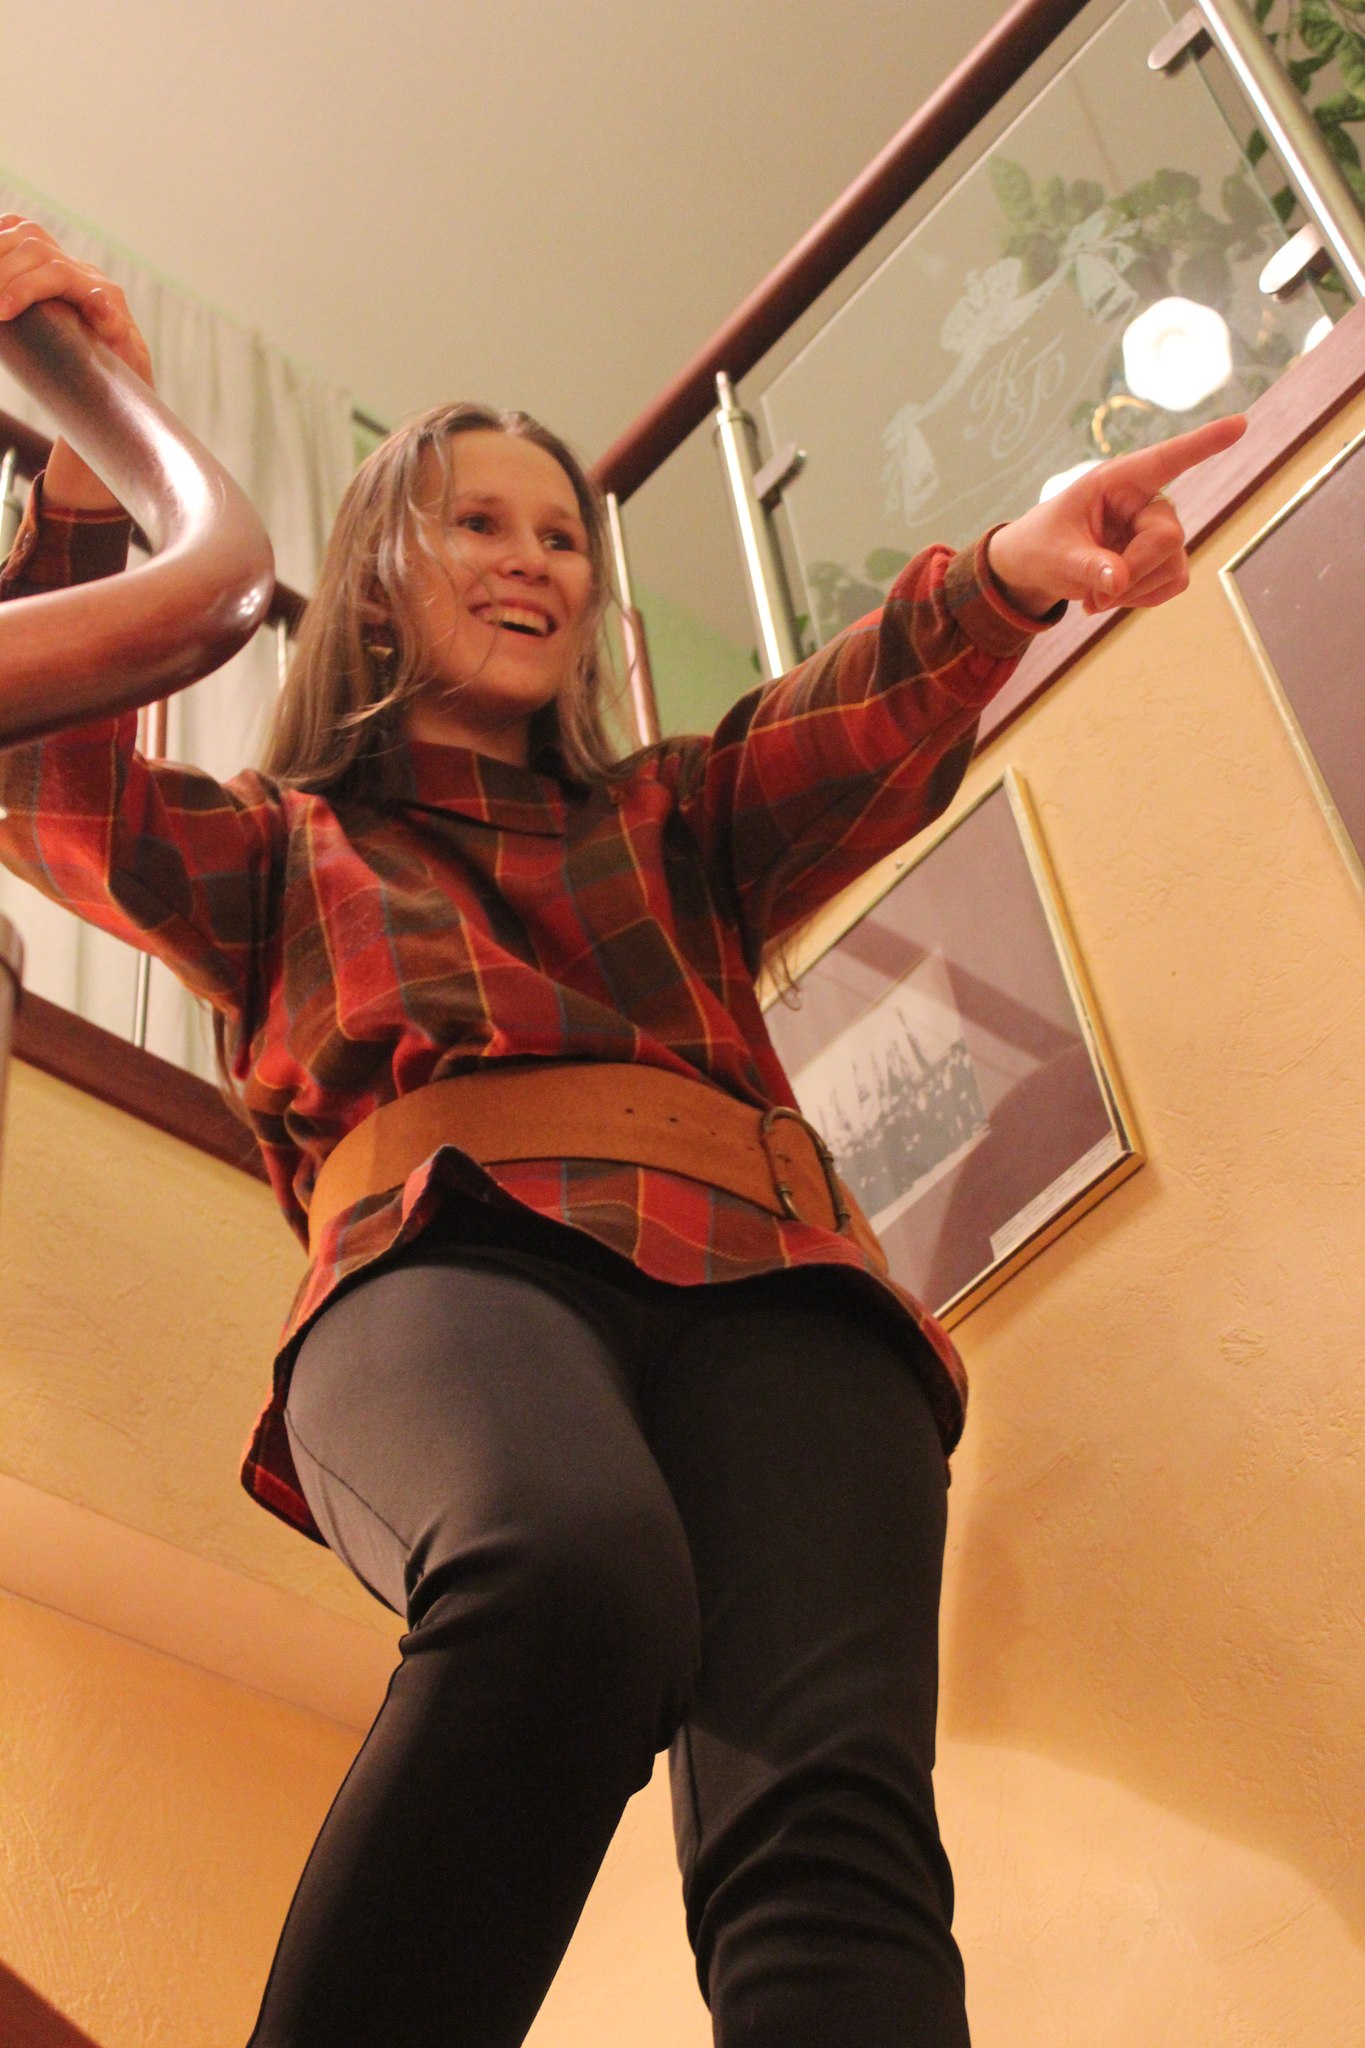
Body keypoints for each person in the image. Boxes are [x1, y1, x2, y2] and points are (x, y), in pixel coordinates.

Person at [0, 214, 1245, 2048]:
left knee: (832, 1829)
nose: (532, 559)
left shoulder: (677, 817)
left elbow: (849, 716)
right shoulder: (274, 846)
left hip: (787, 1302)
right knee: (564, 1573)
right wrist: (86, 468)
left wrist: (1009, 568)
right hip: (449, 1259)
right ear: (375, 577)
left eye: (564, 535)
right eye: (474, 523)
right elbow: (49, 775)